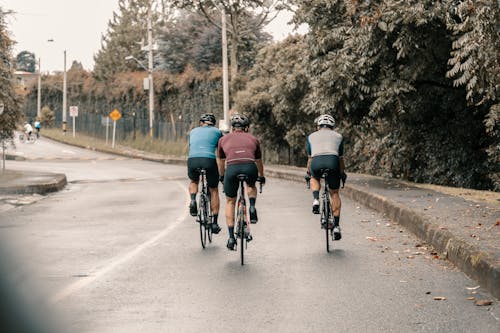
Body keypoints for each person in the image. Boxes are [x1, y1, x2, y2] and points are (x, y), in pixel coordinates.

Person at [217, 113, 265, 250]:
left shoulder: (223, 139)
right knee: (251, 185)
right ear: (246, 128)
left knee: (230, 201)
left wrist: (222, 176)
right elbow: (258, 161)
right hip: (250, 167)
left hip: (231, 168)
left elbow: (220, 161)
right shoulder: (254, 139)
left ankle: (231, 238)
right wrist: (261, 176)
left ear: (233, 128)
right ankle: (252, 206)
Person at [306, 114, 346, 240]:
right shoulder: (338, 136)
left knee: (314, 177)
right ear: (332, 126)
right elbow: (340, 159)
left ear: (318, 126)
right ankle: (336, 226)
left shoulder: (311, 136)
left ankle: (316, 199)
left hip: (316, 162)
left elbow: (309, 159)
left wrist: (308, 173)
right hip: (333, 162)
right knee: (334, 193)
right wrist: (342, 173)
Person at [187, 113, 224, 234]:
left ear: (201, 123)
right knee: (213, 190)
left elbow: (191, 147)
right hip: (209, 160)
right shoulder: (217, 132)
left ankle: (193, 200)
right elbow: (219, 153)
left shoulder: (193, 131)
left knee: (194, 181)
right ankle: (214, 223)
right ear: (213, 124)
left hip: (193, 159)